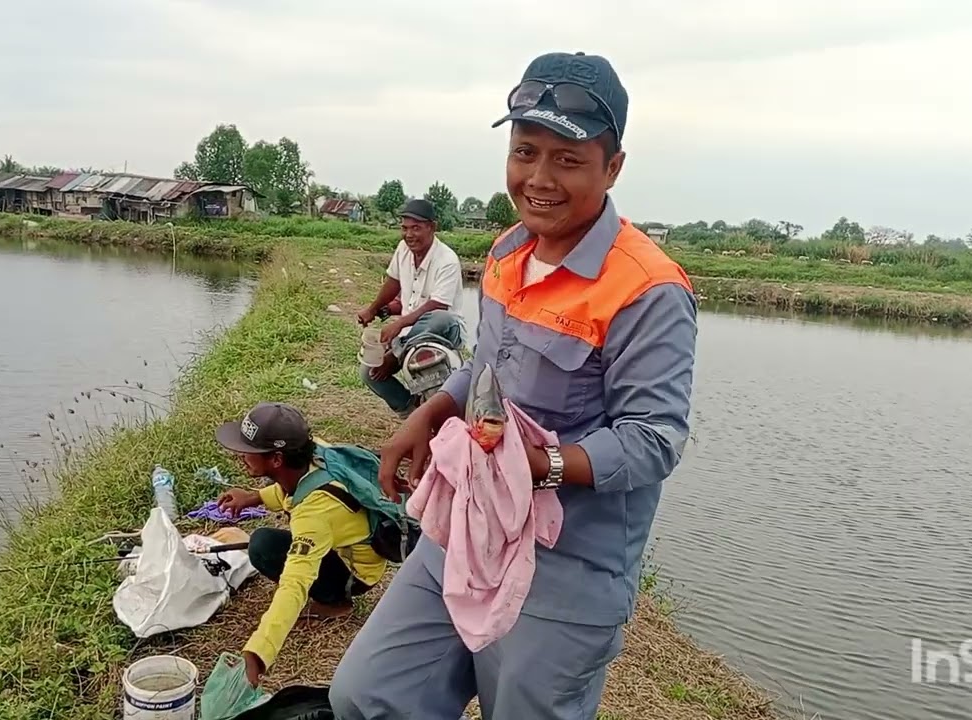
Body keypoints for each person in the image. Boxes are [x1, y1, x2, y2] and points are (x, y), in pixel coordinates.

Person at [330, 51, 698, 719]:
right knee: (366, 693)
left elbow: (654, 441)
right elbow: (490, 373)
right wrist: (433, 411)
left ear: (612, 167)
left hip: (569, 562)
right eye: (526, 151)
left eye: (568, 159)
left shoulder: (648, 289)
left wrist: (541, 467)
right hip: (469, 527)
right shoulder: (506, 253)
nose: (539, 178)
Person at [212, 401, 387, 688]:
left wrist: (259, 652)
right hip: (349, 547)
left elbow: (294, 583)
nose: (242, 455)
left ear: (277, 459)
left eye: (251, 450)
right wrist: (253, 497)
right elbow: (293, 488)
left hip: (355, 572)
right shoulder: (311, 452)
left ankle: (336, 601)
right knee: (265, 541)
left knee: (262, 546)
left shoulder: (314, 514)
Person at [357, 197, 466, 417]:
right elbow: (393, 282)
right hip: (412, 334)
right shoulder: (403, 249)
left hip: (444, 329)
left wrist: (399, 325)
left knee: (439, 318)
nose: (409, 235)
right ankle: (412, 411)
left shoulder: (447, 260)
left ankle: (396, 355)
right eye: (405, 228)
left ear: (432, 227)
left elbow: (438, 305)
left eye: (416, 228)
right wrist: (374, 308)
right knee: (368, 372)